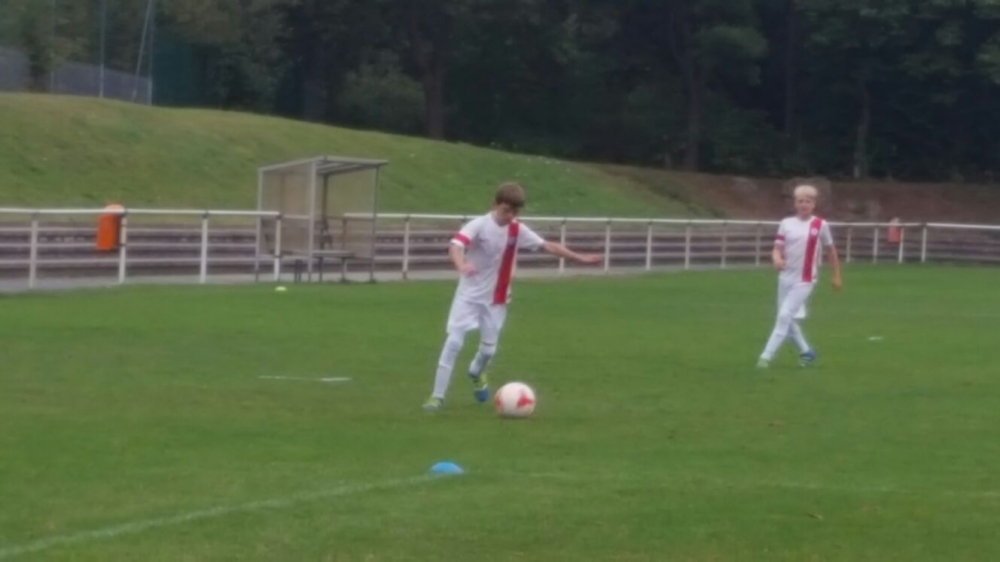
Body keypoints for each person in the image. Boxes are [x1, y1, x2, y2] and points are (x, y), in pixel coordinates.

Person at [423, 183, 601, 411]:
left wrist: (579, 257)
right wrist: (462, 265)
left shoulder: (517, 230)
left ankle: (476, 372)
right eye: (506, 210)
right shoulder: (478, 225)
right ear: (495, 204)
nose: (510, 216)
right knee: (454, 343)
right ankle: (436, 397)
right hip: (468, 296)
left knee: (488, 351)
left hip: (496, 300)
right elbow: (455, 246)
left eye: (514, 212)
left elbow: (547, 246)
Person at [757, 184, 843, 368]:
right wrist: (777, 258)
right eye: (800, 201)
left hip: (805, 279)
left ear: (813, 204)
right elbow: (777, 248)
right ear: (795, 203)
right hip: (785, 278)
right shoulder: (786, 223)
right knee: (787, 319)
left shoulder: (820, 225)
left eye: (808, 201)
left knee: (784, 316)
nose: (804, 204)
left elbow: (831, 250)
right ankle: (807, 352)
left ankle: (765, 357)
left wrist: (836, 275)